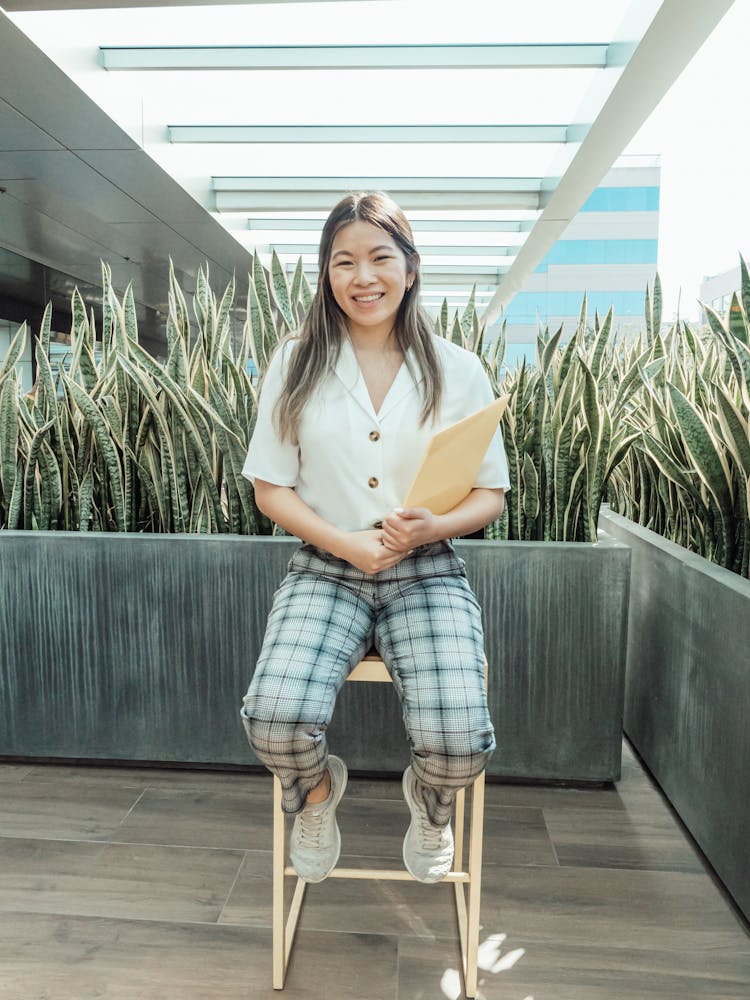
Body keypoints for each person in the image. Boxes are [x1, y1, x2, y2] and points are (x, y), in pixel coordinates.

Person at [240, 191, 510, 885]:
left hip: (426, 569)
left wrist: (435, 527)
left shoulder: (458, 368)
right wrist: (346, 543)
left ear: (411, 268)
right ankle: (319, 791)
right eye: (344, 262)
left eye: (380, 257)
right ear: (326, 274)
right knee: (274, 718)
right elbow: (271, 490)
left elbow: (491, 494)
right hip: (327, 567)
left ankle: (431, 799)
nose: (364, 277)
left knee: (459, 742)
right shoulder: (295, 361)